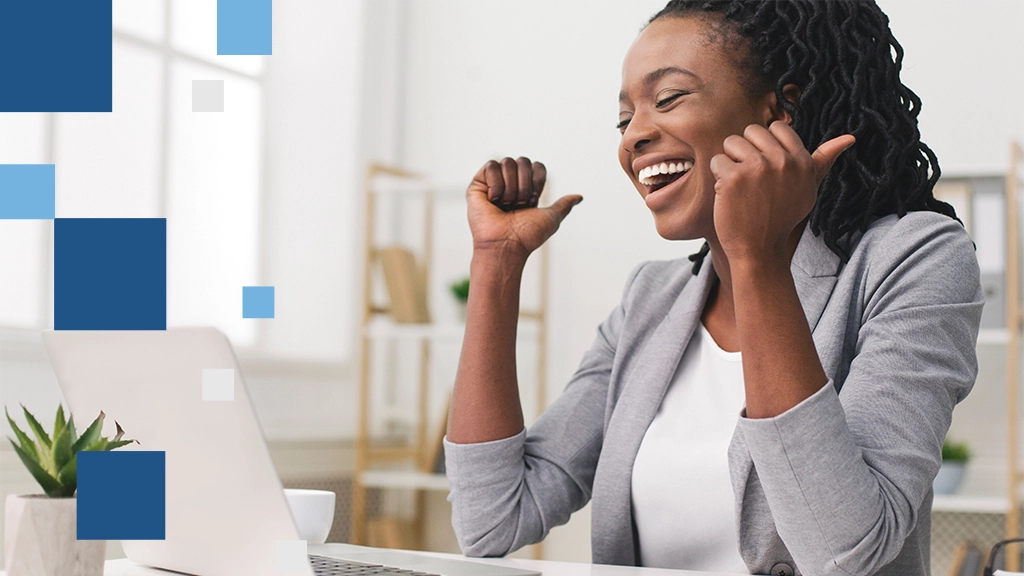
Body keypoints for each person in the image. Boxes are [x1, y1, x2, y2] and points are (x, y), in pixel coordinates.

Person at [443, 1, 984, 575]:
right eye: (625, 120)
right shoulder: (650, 301)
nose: (635, 137)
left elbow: (844, 551)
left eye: (668, 98)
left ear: (782, 110)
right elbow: (491, 521)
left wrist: (756, 256)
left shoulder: (915, 258)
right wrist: (496, 263)